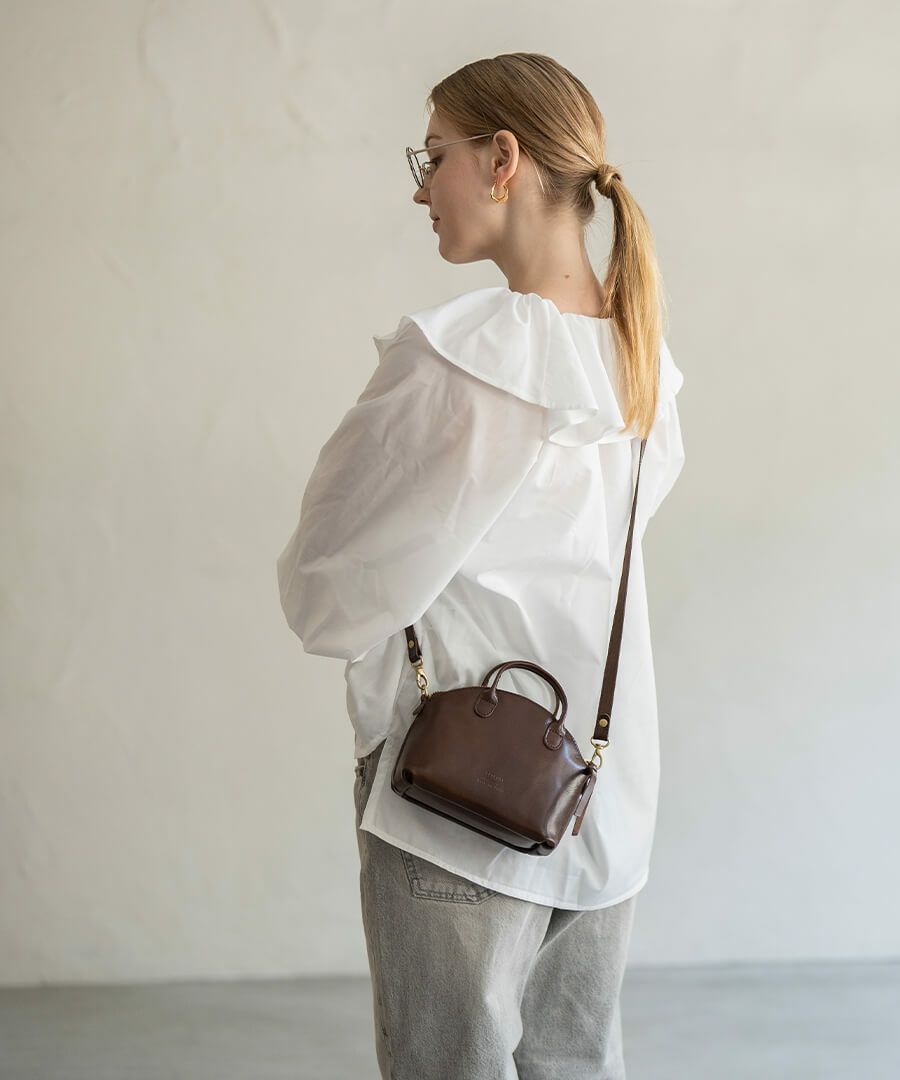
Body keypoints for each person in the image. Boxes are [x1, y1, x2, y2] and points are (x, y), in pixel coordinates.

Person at [277, 51, 686, 1080]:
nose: (422, 189)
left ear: (503, 159)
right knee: (575, 1063)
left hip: (458, 794)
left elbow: (325, 585)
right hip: (601, 789)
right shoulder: (643, 360)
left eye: (436, 157)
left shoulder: (460, 356)